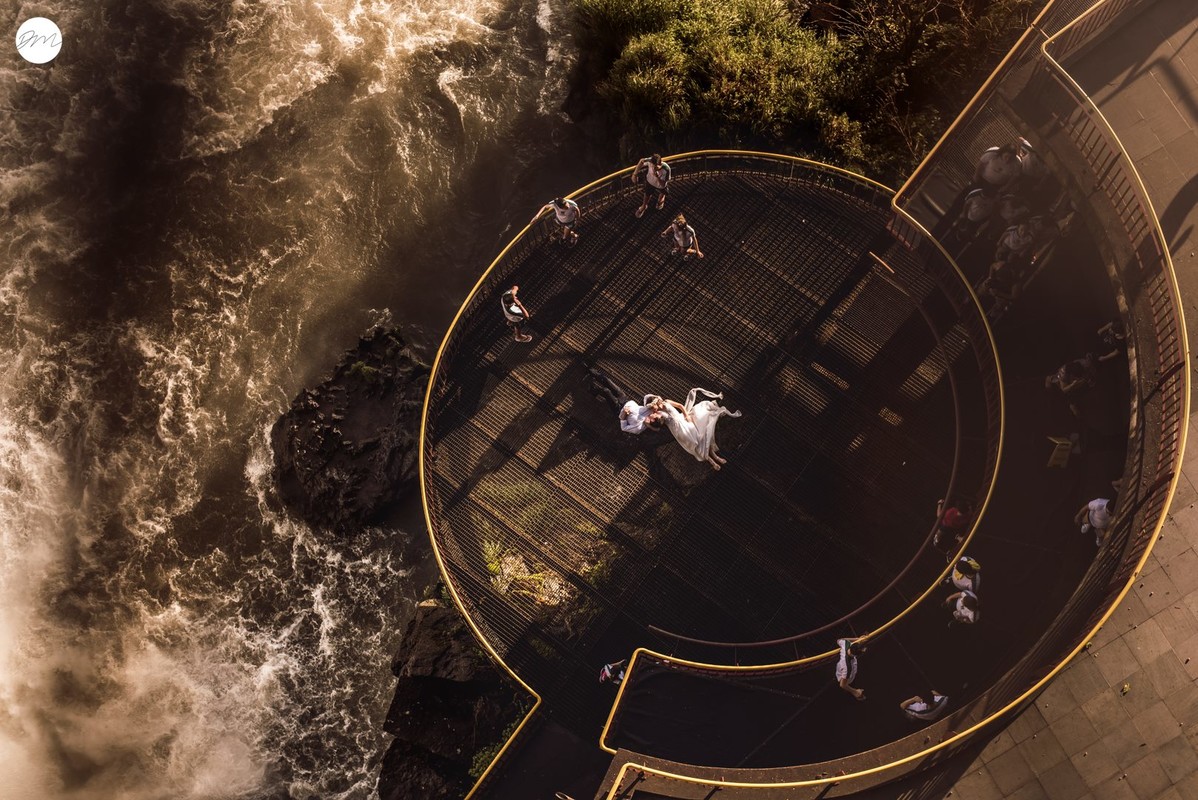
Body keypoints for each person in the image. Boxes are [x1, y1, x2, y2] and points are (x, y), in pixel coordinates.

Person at [648, 388, 740, 470]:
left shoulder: (666, 402)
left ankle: (716, 456)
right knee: (694, 444)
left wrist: (686, 416)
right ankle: (711, 461)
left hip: (683, 422)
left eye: (652, 407)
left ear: (656, 403)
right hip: (677, 430)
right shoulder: (657, 414)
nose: (653, 409)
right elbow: (659, 425)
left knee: (700, 438)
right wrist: (650, 422)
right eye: (651, 408)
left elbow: (680, 406)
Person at [586, 366, 664, 434]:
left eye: (655, 415)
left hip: (619, 409)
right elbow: (652, 398)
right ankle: (590, 370)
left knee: (606, 391)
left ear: (653, 420)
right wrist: (657, 400)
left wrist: (624, 415)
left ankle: (592, 390)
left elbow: (624, 428)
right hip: (625, 399)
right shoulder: (651, 411)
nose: (655, 413)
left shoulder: (639, 428)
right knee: (608, 382)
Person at [632, 153, 672, 218]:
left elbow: (663, 183)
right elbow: (641, 161)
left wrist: (657, 177)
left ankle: (661, 199)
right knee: (647, 194)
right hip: (650, 182)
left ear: (659, 164)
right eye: (652, 166)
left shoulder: (666, 169)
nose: (653, 168)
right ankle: (644, 206)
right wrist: (635, 174)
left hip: (661, 185)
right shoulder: (650, 160)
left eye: (655, 167)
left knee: (663, 192)